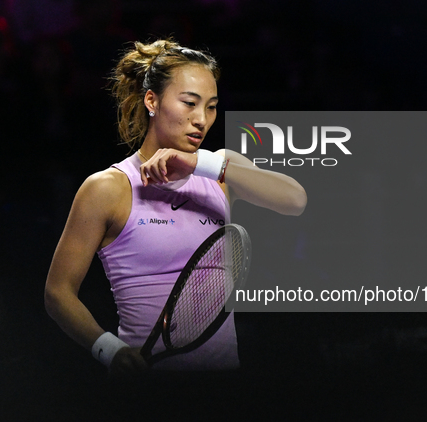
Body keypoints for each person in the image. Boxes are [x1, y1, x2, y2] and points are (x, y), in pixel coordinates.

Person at [44, 39, 307, 377]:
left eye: (211, 106)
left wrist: (202, 164)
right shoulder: (107, 188)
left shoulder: (220, 169)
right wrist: (109, 350)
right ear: (151, 100)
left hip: (225, 386)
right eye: (189, 103)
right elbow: (58, 292)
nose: (201, 119)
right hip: (149, 390)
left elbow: (295, 200)